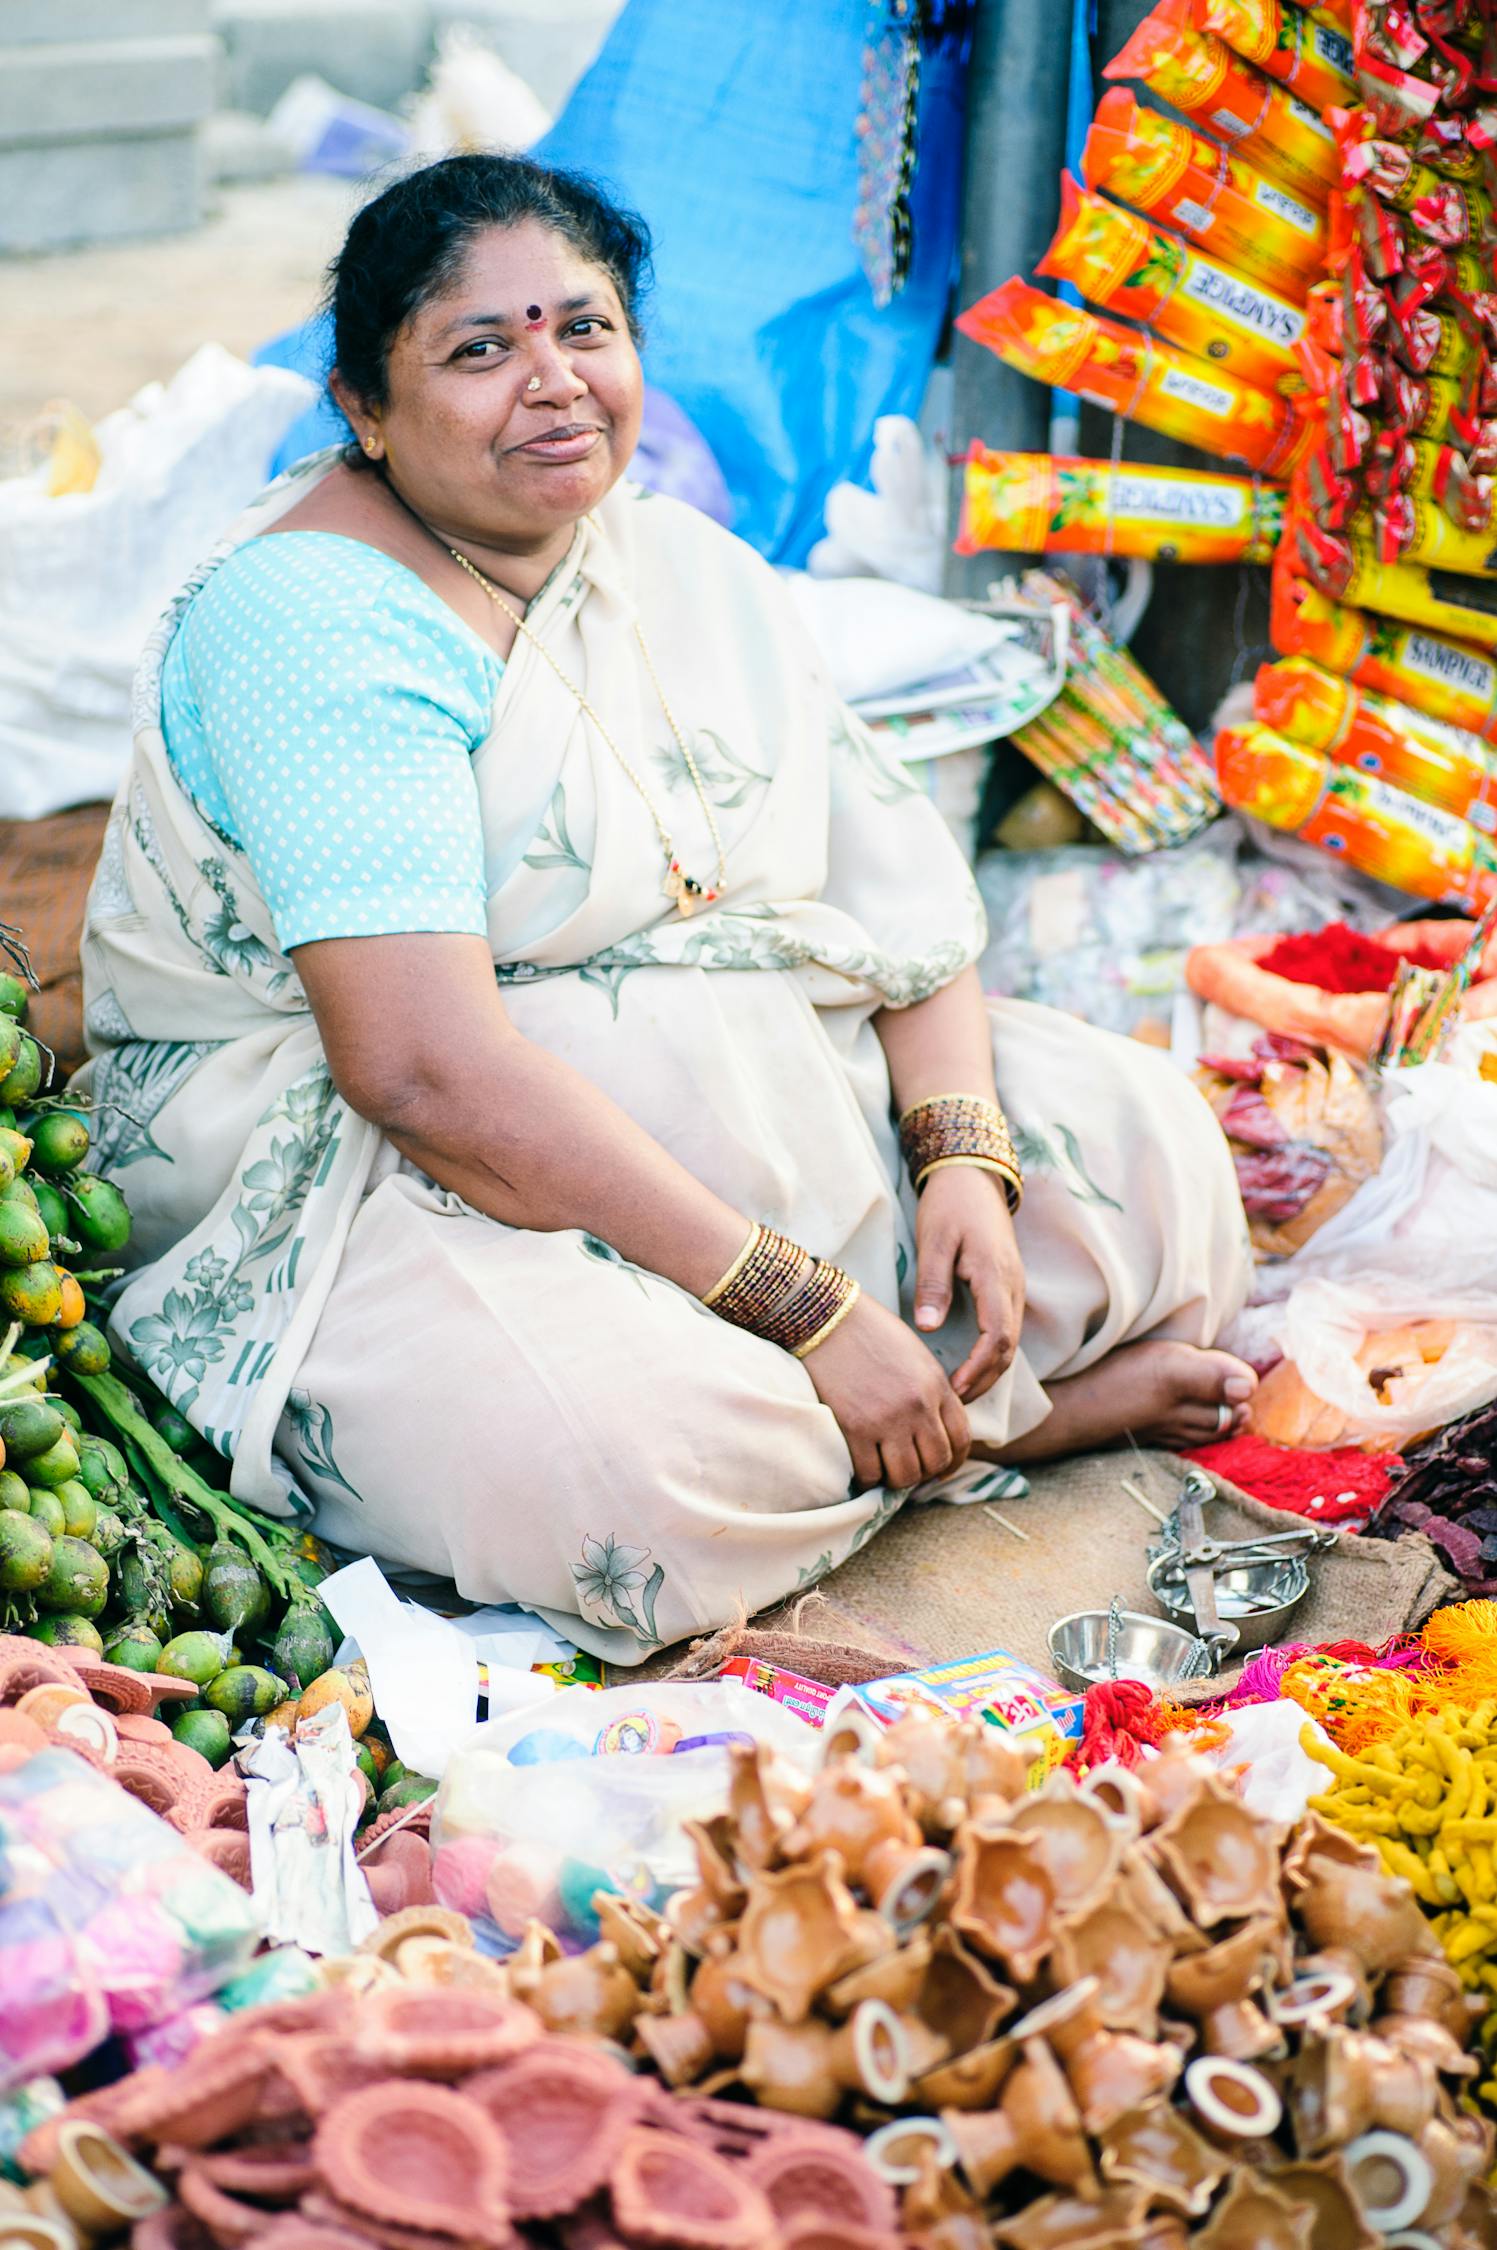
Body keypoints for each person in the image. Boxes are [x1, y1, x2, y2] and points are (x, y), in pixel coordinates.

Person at [80, 155, 1255, 1663]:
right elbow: (421, 1071)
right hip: (384, 1176)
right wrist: (808, 1309)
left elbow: (898, 899)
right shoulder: (314, 626)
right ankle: (990, 1429)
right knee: (632, 1474)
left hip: (766, 1123)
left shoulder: (674, 560)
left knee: (1154, 1146)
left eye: (586, 329)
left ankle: (908, 1420)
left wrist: (958, 1155)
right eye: (480, 349)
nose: (555, 383)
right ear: (364, 409)